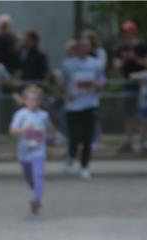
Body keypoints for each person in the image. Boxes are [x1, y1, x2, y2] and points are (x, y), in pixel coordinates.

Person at [60, 37, 104, 178]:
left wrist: (98, 85)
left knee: (87, 137)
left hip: (90, 104)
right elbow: (62, 83)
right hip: (73, 106)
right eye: (81, 46)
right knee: (74, 135)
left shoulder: (96, 64)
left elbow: (102, 81)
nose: (83, 49)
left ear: (90, 48)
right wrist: (67, 93)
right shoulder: (68, 64)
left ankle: (84, 166)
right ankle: (71, 157)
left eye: (86, 46)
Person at [10, 85, 57, 214]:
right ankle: (34, 186)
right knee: (28, 176)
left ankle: (36, 200)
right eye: (31, 100)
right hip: (24, 151)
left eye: (36, 100)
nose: (34, 103)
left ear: (40, 101)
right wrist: (24, 129)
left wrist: (54, 138)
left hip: (38, 150)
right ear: (25, 101)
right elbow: (12, 130)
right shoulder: (20, 114)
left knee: (38, 175)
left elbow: (51, 127)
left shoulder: (44, 115)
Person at [112, 21, 147, 154]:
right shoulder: (120, 48)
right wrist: (125, 59)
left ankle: (145, 142)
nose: (127, 34)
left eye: (129, 31)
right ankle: (129, 142)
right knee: (129, 115)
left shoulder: (142, 47)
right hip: (128, 84)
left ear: (134, 32)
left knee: (144, 115)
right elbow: (117, 67)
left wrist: (136, 58)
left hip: (143, 84)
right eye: (125, 32)